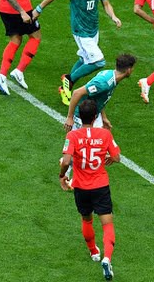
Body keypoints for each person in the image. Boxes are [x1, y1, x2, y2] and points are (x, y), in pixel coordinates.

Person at [33, 0, 122, 106]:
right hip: (81, 31)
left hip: (93, 29)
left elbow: (106, 3)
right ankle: (69, 79)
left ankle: (65, 88)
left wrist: (113, 16)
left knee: (84, 59)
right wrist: (38, 9)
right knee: (99, 61)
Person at [59, 99, 120, 281]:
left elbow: (66, 161)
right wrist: (110, 158)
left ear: (80, 116)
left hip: (81, 187)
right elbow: (117, 157)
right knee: (107, 224)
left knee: (86, 219)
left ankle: (93, 252)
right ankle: (107, 258)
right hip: (100, 186)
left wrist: (62, 176)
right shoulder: (105, 134)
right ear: (95, 117)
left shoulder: (72, 136)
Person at [64, 54, 136, 132]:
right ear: (128, 70)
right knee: (82, 139)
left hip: (95, 115)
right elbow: (77, 93)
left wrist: (103, 117)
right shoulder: (103, 83)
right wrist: (70, 117)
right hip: (83, 117)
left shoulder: (110, 75)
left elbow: (99, 97)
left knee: (101, 138)